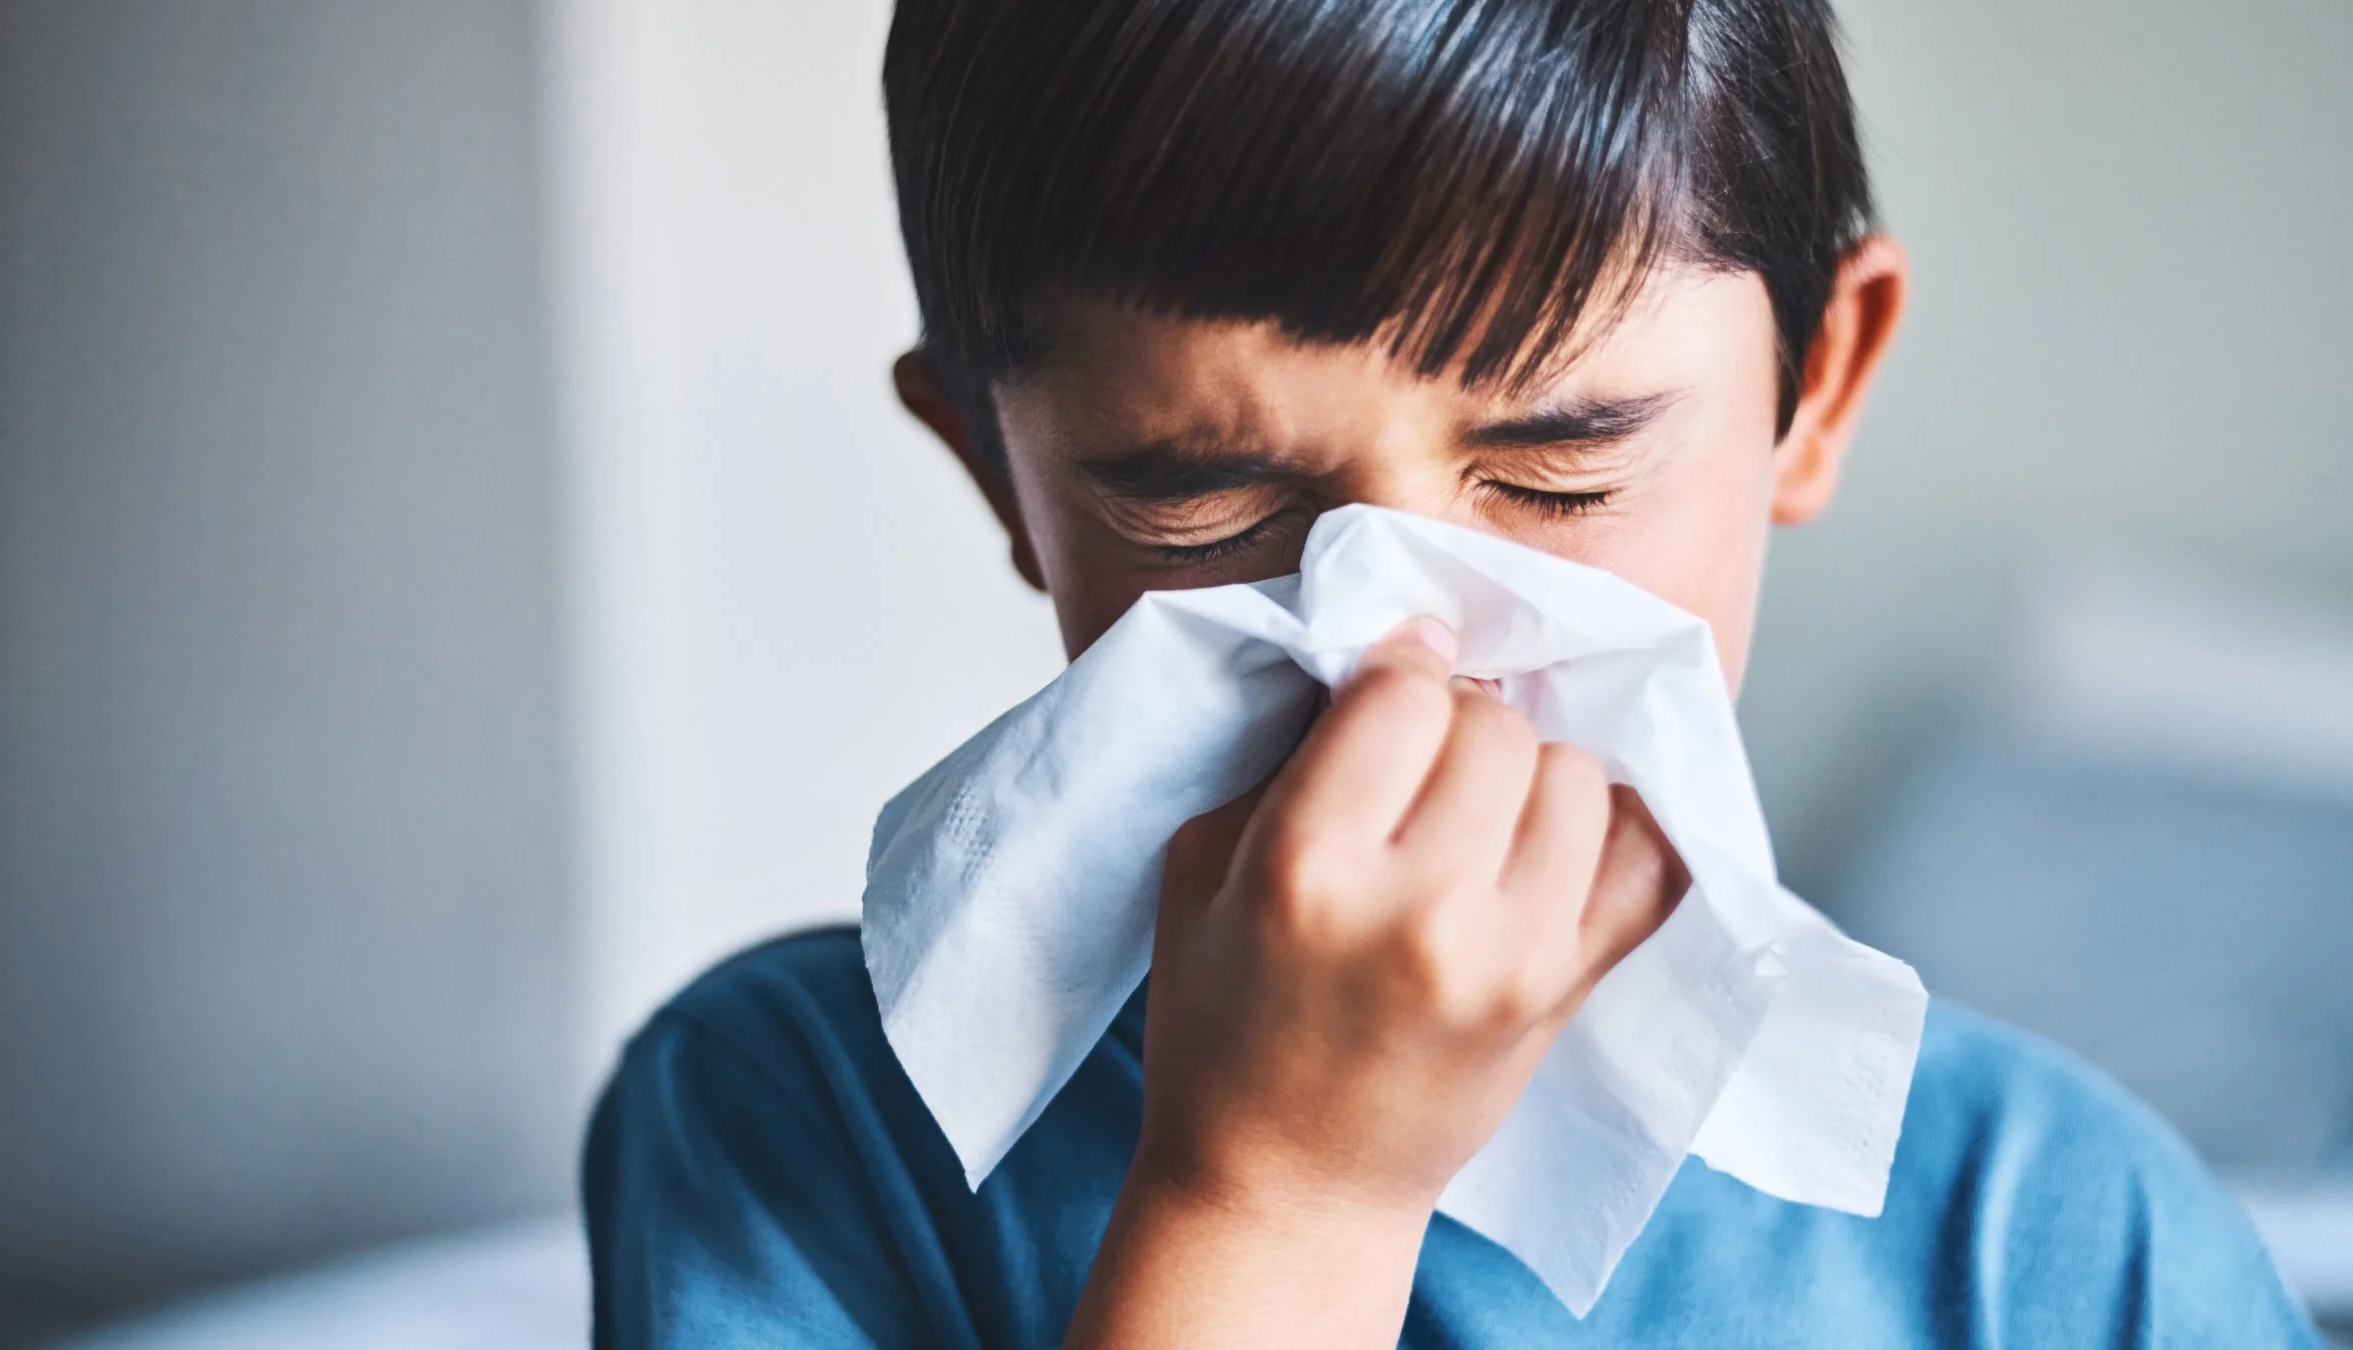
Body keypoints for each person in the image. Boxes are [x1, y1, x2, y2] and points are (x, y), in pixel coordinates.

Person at [582, 0, 2320, 1345]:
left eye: (1561, 471)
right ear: (1000, 479)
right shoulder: (789, 1124)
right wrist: (1275, 1199)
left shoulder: (2057, 1238)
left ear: (1817, 388)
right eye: (1201, 498)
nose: (1399, 644)